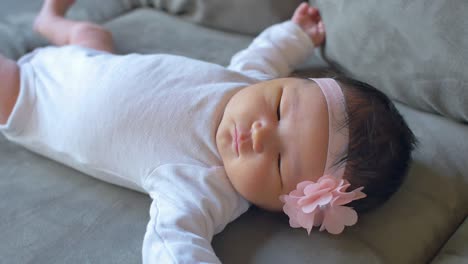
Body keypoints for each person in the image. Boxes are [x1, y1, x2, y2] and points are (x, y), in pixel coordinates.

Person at [0, 0, 416, 263]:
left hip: (30, 98)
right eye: (277, 108)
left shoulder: (204, 187)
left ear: (281, 206)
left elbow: (172, 241)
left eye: (277, 162)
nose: (260, 134)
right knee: (91, 34)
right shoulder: (244, 81)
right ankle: (50, 18)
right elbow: (266, 54)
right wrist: (296, 35)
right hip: (91, 59)